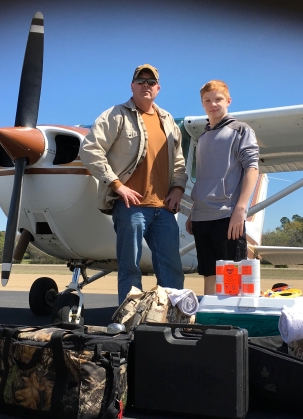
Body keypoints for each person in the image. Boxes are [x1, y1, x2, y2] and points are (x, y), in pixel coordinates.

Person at [80, 64, 188, 304]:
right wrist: (116, 184)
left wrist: (178, 188)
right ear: (132, 86)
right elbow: (89, 150)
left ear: (158, 88)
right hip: (131, 207)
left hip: (163, 209)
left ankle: (171, 321)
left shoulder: (168, 120)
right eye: (141, 81)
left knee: (172, 271)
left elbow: (179, 161)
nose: (146, 86)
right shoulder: (115, 115)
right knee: (130, 269)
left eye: (151, 82)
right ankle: (129, 324)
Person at [186, 80, 259, 296]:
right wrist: (193, 212)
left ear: (228, 101)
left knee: (230, 274)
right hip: (201, 218)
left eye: (218, 99)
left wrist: (240, 209)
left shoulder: (241, 130)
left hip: (227, 216)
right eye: (207, 100)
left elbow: (252, 168)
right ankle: (208, 320)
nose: (213, 104)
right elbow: (202, 179)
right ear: (202, 104)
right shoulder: (202, 138)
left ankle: (228, 325)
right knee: (208, 273)